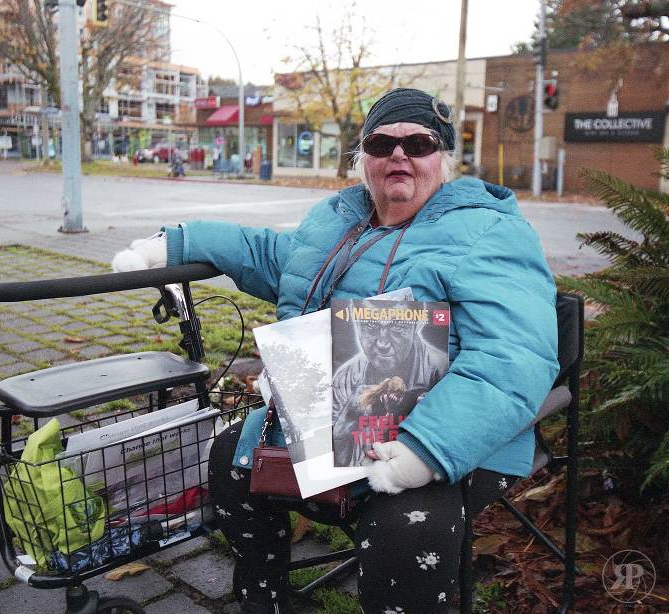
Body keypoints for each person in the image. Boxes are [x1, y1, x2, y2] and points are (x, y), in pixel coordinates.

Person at [111, 88, 559, 613]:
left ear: (443, 160)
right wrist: (176, 245)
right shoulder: (340, 219)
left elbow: (515, 356)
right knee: (231, 458)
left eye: (418, 142)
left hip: (438, 429)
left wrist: (427, 447)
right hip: (332, 411)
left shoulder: (488, 232)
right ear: (362, 158)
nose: (398, 155)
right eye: (380, 143)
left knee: (405, 524)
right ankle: (267, 599)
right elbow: (272, 255)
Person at [331, 297, 449, 468]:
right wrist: (348, 417)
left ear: (417, 325)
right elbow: (335, 459)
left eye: (397, 326)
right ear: (357, 326)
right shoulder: (345, 377)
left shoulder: (439, 370)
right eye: (371, 325)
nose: (382, 343)